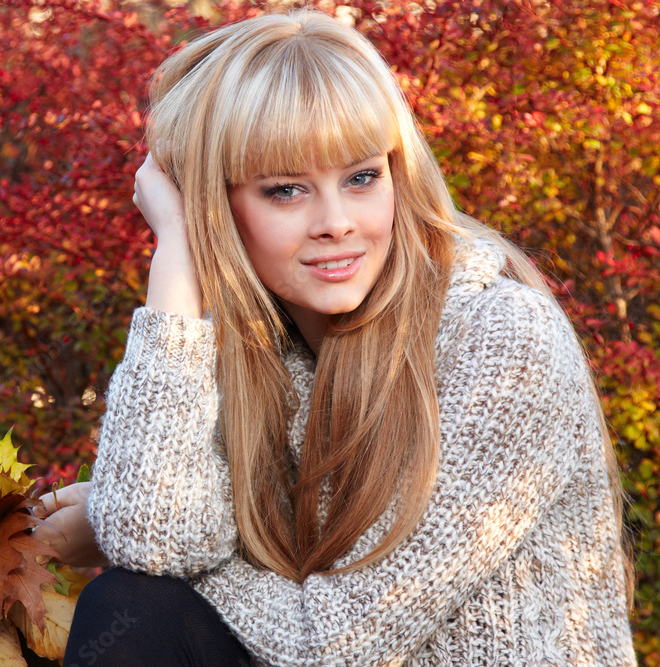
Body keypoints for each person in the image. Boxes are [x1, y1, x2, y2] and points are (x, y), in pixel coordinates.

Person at [32, 9, 636, 666]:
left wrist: (119, 522)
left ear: (397, 172)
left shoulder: (504, 339)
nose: (336, 222)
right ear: (214, 205)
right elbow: (157, 538)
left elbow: (335, 644)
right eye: (286, 190)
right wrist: (178, 259)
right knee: (133, 604)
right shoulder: (257, 350)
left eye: (361, 177)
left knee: (134, 600)